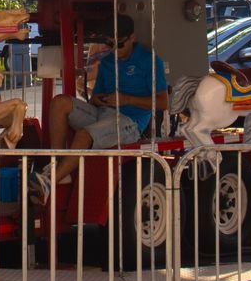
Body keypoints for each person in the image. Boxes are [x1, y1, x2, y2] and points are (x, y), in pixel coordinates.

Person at [33, 15, 167, 200]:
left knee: (84, 135)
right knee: (59, 102)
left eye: (119, 44)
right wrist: (100, 99)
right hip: (102, 113)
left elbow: (162, 102)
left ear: (132, 38)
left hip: (129, 122)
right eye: (111, 45)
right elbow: (95, 97)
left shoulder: (149, 61)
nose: (115, 50)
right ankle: (57, 166)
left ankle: (49, 182)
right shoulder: (107, 62)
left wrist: (126, 99)